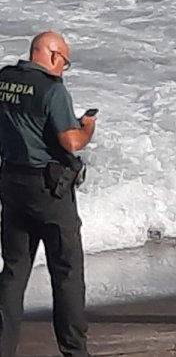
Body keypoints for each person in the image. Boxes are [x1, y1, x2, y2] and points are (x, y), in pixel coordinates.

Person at [0, 32, 95, 357]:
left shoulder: (5, 79)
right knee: (66, 273)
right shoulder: (52, 89)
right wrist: (87, 129)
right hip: (49, 191)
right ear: (53, 56)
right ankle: (74, 352)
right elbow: (70, 142)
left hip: (11, 182)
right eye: (65, 62)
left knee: (13, 271)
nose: (64, 69)